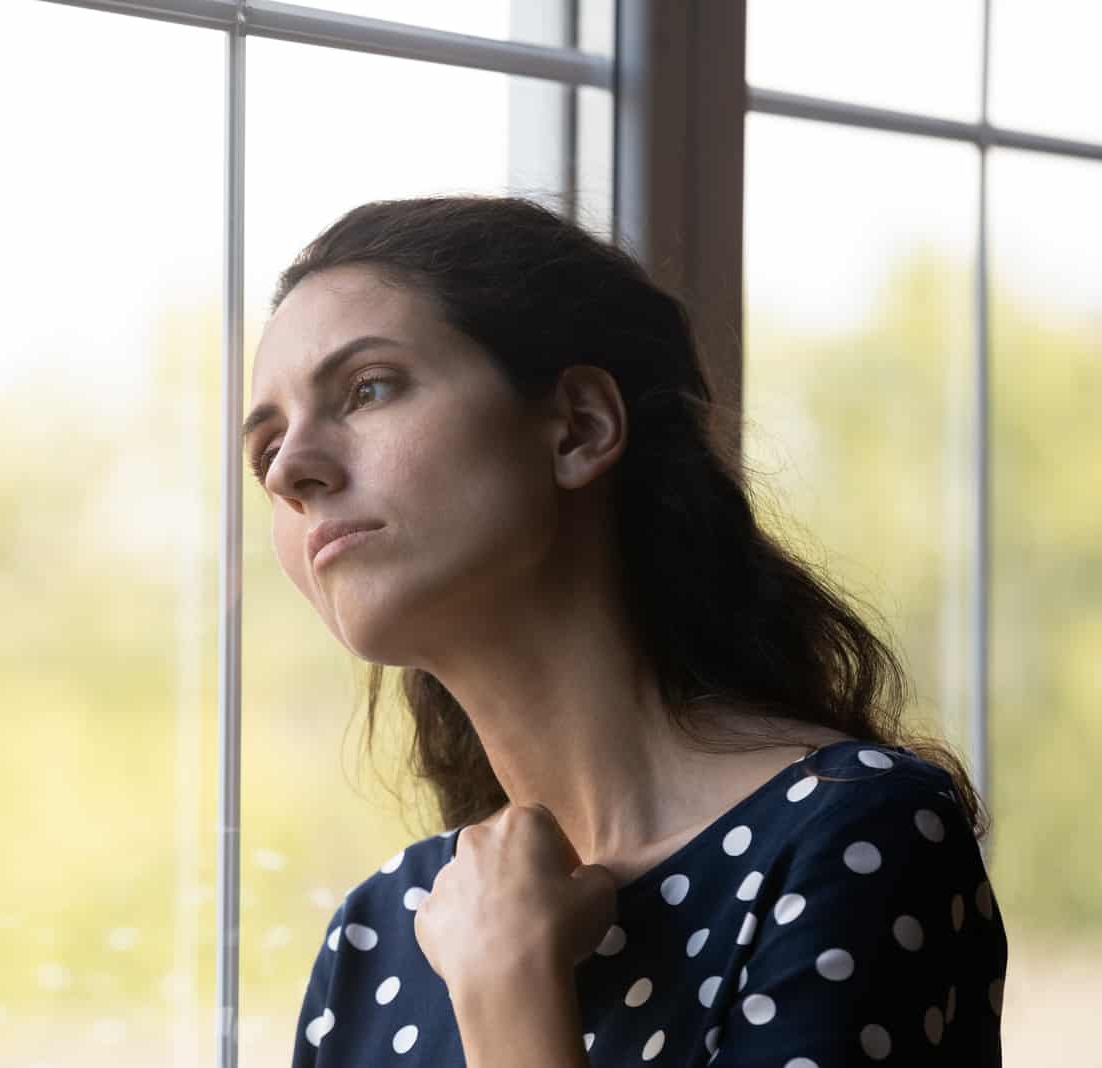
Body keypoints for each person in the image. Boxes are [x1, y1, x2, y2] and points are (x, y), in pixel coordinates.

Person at [241, 194, 1009, 1066]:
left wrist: (508, 988)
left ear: (579, 426)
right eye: (264, 448)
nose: (292, 471)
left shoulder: (853, 833)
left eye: (367, 389)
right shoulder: (380, 933)